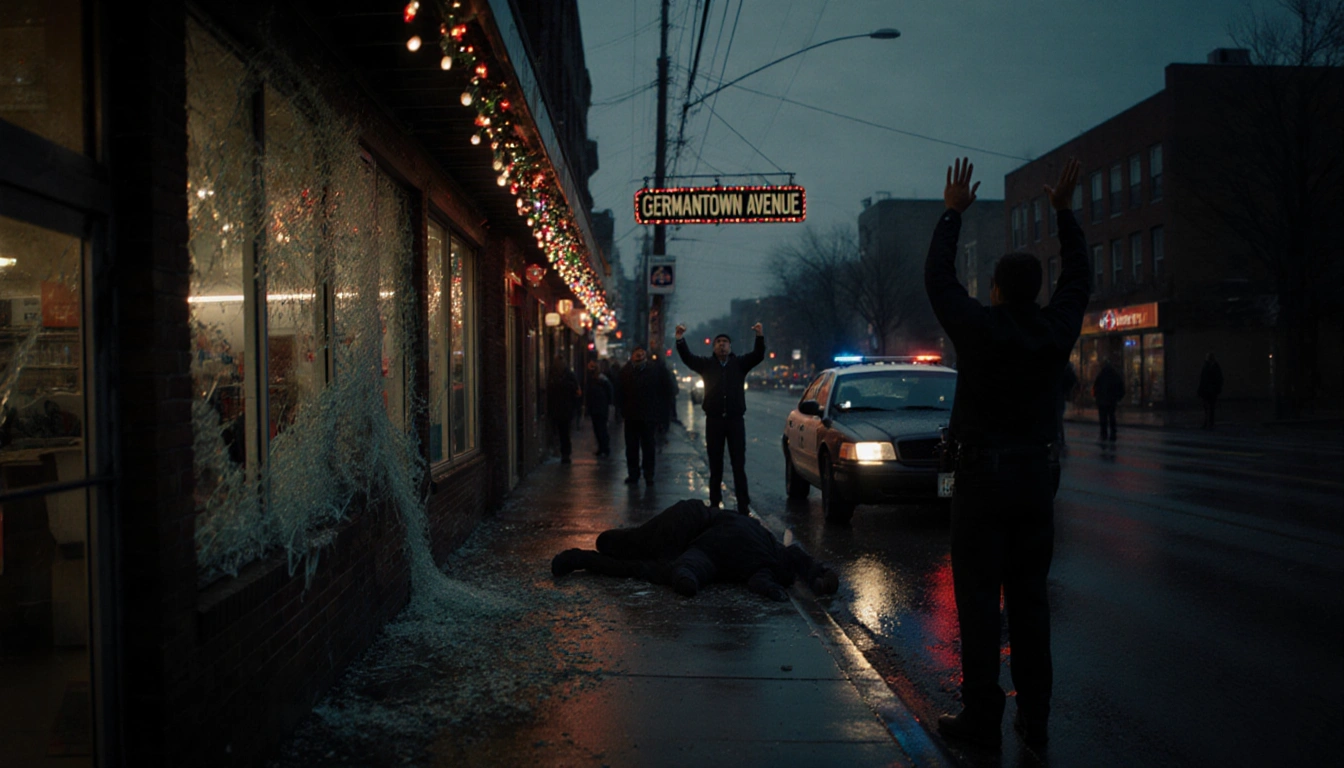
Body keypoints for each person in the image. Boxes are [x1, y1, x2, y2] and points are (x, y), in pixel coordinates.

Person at [924, 157, 1088, 751]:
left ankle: (982, 715)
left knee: (977, 603)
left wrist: (952, 213)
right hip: (1034, 481)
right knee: (1030, 600)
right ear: (1036, 291)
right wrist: (1065, 214)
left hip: (979, 483)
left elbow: (939, 281)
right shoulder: (1054, 330)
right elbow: (1079, 280)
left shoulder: (978, 327)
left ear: (993, 290)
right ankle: (1035, 716)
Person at [550, 499, 840, 601]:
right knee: (638, 564)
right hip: (689, 535)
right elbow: (693, 564)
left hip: (691, 520)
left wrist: (817, 572)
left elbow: (794, 557)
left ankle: (594, 551)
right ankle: (579, 558)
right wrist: (686, 579)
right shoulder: (760, 564)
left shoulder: (765, 540)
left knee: (633, 547)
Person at [675, 322, 766, 511]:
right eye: (718, 342)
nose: (722, 344)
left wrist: (759, 336)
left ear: (730, 347)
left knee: (738, 464)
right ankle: (715, 504)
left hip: (735, 420)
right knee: (715, 466)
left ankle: (743, 505)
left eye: (725, 342)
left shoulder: (739, 364)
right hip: (714, 420)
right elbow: (688, 358)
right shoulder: (707, 365)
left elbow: (758, 355)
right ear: (714, 347)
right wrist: (680, 340)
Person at [619, 345, 667, 484]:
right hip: (631, 416)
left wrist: (660, 414)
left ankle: (648, 474)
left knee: (648, 447)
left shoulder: (655, 371)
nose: (639, 355)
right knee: (632, 447)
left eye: (641, 352)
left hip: (649, 416)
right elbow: (619, 393)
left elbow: (664, 392)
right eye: (636, 353)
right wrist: (622, 410)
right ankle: (633, 474)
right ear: (632, 355)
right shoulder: (625, 371)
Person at [546, 354, 581, 464]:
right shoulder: (568, 375)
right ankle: (564, 453)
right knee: (564, 433)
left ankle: (561, 452)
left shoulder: (554, 375)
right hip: (564, 409)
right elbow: (577, 391)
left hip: (560, 409)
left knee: (561, 432)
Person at [585, 360, 614, 456]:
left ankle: (604, 448)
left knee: (601, 428)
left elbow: (609, 391)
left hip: (599, 407)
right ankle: (603, 448)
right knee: (599, 428)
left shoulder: (601, 380)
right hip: (598, 407)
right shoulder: (597, 380)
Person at [1092, 359, 1124, 442]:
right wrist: (1119, 397)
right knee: (1112, 417)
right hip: (1112, 400)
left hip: (1102, 400)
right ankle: (1113, 434)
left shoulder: (1101, 375)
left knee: (1103, 419)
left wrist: (1096, 396)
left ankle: (1104, 434)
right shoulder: (1115, 374)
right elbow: (1121, 387)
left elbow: (1096, 386)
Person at [1198, 352, 1224, 429]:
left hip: (1211, 390)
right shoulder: (1209, 366)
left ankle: (1209, 423)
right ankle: (1208, 422)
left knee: (1210, 407)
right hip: (1208, 390)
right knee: (1207, 408)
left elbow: (1218, 379)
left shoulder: (1211, 367)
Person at [1058, 362, 1079, 446]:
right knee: (1058, 418)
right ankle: (1060, 438)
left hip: (1057, 396)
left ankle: (1059, 439)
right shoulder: (1067, 369)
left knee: (1057, 418)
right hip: (1060, 396)